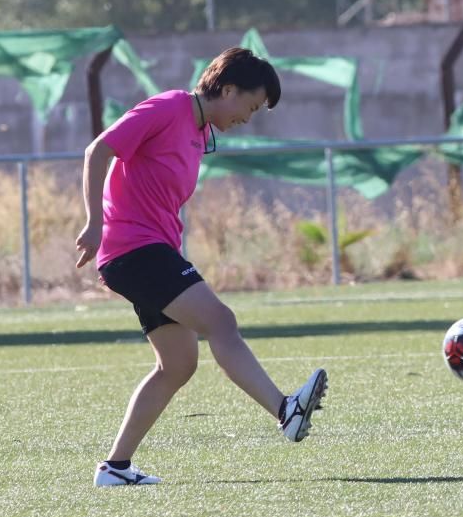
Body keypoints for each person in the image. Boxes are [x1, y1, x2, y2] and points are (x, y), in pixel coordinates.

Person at [75, 47, 328, 486]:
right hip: (134, 249)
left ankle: (115, 468)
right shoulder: (170, 106)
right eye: (250, 106)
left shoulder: (198, 132)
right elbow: (99, 150)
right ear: (227, 89)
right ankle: (286, 411)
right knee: (221, 322)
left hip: (152, 251)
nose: (248, 118)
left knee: (178, 364)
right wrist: (94, 223)